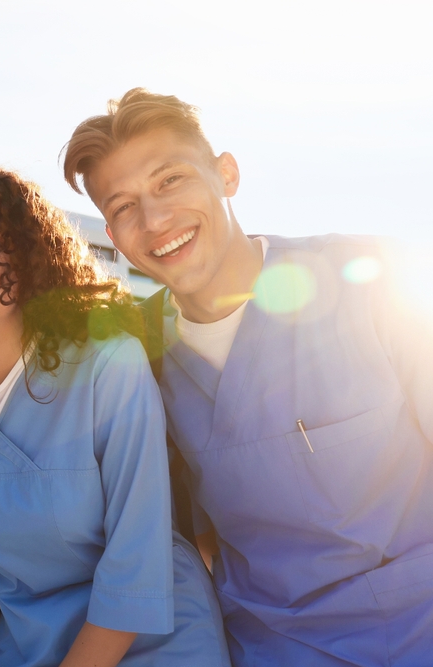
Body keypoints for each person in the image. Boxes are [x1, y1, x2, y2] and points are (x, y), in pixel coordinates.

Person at [63, 88, 433, 667]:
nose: (155, 220)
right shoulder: (135, 356)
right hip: (263, 646)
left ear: (226, 175)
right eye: (123, 207)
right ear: (112, 236)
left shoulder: (375, 282)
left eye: (169, 181)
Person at [0, 166, 229, 667]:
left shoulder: (109, 363)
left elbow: (138, 560)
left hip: (160, 645)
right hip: (24, 650)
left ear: (29, 258)